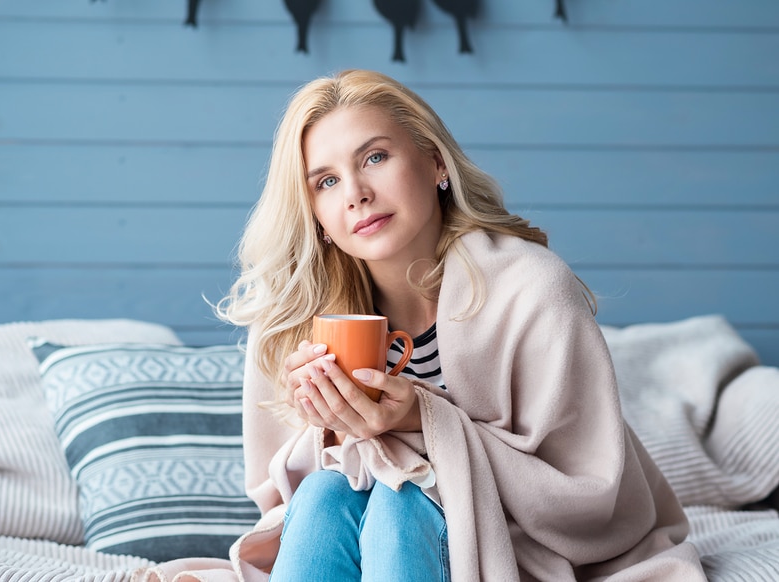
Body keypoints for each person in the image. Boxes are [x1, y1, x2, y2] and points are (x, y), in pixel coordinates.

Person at [212, 69, 706, 581]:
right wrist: (330, 427)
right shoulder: (294, 314)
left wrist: (420, 419)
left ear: (435, 162)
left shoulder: (532, 288)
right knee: (322, 492)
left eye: (375, 157)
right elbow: (277, 501)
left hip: (523, 546)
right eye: (327, 181)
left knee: (400, 502)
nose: (355, 193)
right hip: (351, 536)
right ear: (315, 214)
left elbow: (588, 494)